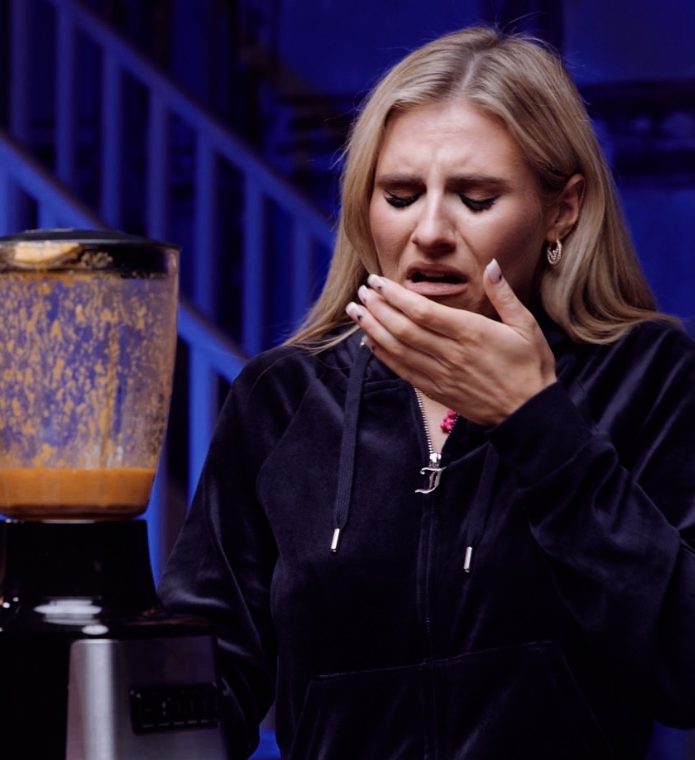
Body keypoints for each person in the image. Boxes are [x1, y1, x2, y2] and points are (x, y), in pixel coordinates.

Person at [158, 26, 695, 759]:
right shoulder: (280, 397)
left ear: (561, 210)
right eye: (401, 195)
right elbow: (201, 689)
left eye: (476, 198)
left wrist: (536, 423)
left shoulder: (648, 373)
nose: (430, 230)